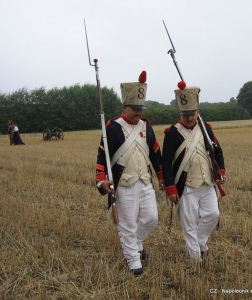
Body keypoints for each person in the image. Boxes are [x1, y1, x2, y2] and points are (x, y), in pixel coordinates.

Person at [95, 71, 164, 276]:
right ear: (125, 106)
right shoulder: (112, 128)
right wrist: (101, 181)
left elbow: (155, 154)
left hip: (144, 182)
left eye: (141, 109)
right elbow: (102, 158)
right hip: (123, 185)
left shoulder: (147, 127)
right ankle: (134, 261)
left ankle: (135, 242)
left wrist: (161, 177)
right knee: (126, 225)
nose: (139, 113)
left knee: (151, 218)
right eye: (135, 109)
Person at [162, 82, 226, 264]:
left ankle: (200, 241)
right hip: (186, 185)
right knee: (189, 224)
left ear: (197, 112)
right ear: (180, 114)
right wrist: (171, 187)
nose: (189, 118)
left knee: (213, 215)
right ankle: (194, 257)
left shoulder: (205, 128)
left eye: (192, 114)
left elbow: (218, 151)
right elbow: (166, 161)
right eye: (185, 114)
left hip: (207, 182)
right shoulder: (172, 133)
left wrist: (221, 170)